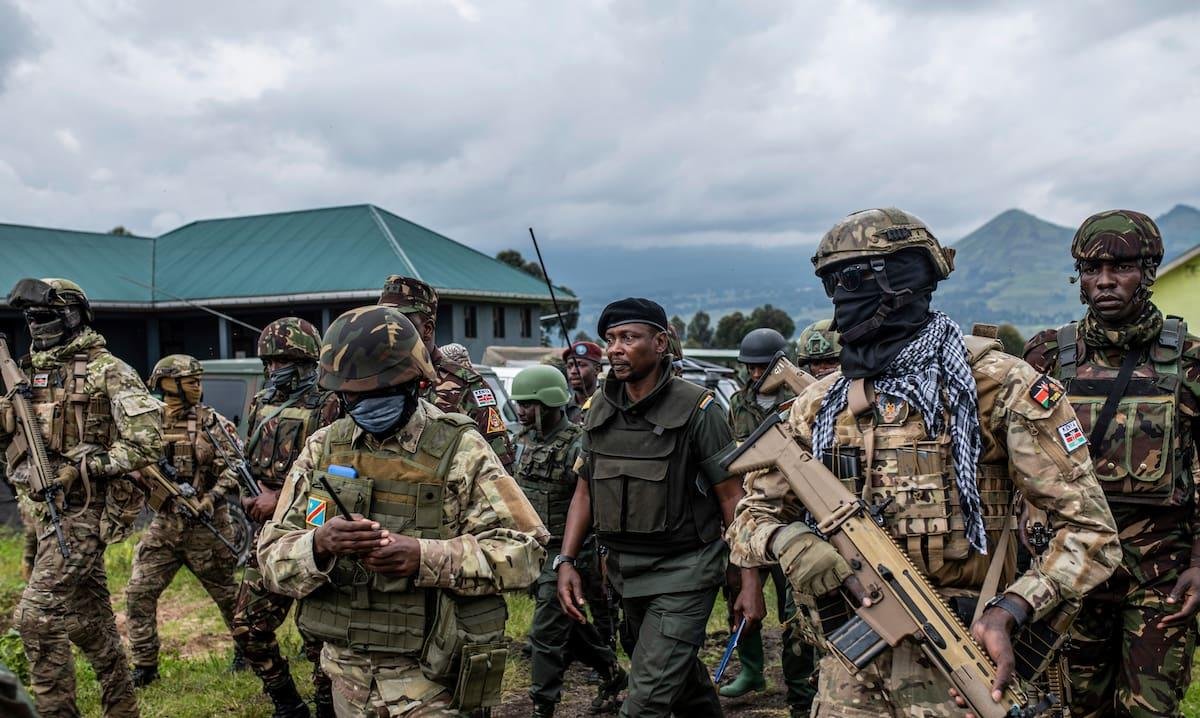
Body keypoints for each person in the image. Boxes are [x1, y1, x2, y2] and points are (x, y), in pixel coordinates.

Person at [728, 208, 1121, 718]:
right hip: (850, 666)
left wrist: (1015, 607)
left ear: (903, 281)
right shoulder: (820, 403)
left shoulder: (998, 387)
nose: (839, 299)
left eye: (850, 280)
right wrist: (789, 541)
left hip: (965, 655)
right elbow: (749, 519)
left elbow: (1090, 531)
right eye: (830, 285)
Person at [258, 305, 548, 716]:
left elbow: (526, 552)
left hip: (434, 682)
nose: (360, 405)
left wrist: (423, 556)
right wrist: (319, 544)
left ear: (415, 382)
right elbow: (271, 555)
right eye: (350, 396)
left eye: (375, 395)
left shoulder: (461, 450)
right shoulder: (324, 448)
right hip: (347, 680)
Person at [1023, 209, 1200, 717]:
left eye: (1120, 267)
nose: (1104, 281)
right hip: (1073, 571)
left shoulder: (1186, 362)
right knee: (1077, 708)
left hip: (1160, 575)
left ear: (1147, 271)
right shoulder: (1049, 359)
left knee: (1148, 710)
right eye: (1090, 269)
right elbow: (1019, 460)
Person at [556, 297, 766, 718]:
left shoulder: (699, 408)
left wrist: (749, 580)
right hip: (625, 572)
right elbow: (586, 490)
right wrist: (566, 561)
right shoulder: (599, 407)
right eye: (611, 339)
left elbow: (732, 497)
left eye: (628, 338)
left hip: (686, 571)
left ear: (660, 343)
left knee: (645, 701)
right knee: (678, 675)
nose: (615, 348)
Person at [2, 277, 163, 718]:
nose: (37, 325)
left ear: (73, 316)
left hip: (86, 513)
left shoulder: (107, 370)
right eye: (31, 318)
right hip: (44, 512)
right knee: (90, 624)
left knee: (35, 618)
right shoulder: (22, 373)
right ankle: (122, 708)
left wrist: (86, 466)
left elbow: (149, 442)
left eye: (47, 316)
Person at [231, 317, 341, 718]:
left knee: (320, 640)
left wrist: (278, 501)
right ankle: (288, 704)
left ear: (306, 363)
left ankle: (329, 707)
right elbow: (250, 462)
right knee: (246, 627)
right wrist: (248, 495)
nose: (274, 370)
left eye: (283, 361)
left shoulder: (332, 404)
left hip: (314, 533)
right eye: (269, 362)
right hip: (269, 535)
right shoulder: (262, 402)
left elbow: (336, 479)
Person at [510, 365, 627, 717]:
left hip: (571, 554)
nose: (521, 411)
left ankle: (542, 705)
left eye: (528, 405)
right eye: (520, 404)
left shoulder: (577, 444)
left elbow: (597, 501)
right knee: (571, 624)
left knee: (545, 633)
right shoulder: (523, 443)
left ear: (548, 404)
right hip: (535, 551)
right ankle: (612, 672)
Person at [125, 354, 242, 687]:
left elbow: (235, 468)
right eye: (191, 381)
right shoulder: (148, 423)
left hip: (208, 526)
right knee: (138, 593)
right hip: (164, 527)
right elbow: (132, 461)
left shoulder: (213, 423)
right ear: (166, 383)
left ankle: (248, 652)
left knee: (229, 597)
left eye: (198, 381)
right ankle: (145, 666)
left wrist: (209, 499)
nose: (198, 387)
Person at [720, 327, 816, 716]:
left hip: (793, 512)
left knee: (795, 608)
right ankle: (752, 669)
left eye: (764, 366)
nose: (757, 374)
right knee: (741, 597)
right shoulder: (738, 403)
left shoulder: (803, 398)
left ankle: (798, 687)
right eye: (751, 367)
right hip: (748, 511)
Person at [378, 275, 515, 472]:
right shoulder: (373, 380)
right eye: (384, 320)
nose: (388, 329)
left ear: (427, 329)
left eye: (401, 321)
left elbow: (499, 467)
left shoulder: (466, 385)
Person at [563, 341, 603, 424]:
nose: (573, 371)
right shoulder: (562, 408)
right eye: (569, 366)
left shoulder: (607, 405)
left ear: (597, 369)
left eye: (581, 365)